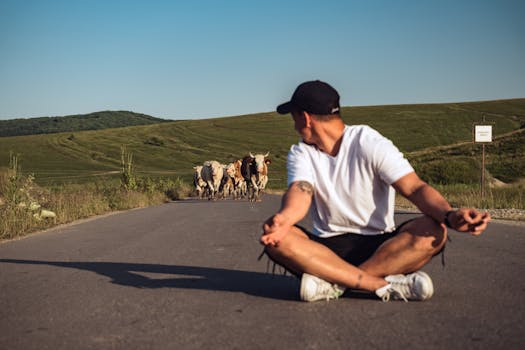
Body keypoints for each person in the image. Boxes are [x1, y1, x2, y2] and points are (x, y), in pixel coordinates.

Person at [260, 80, 491, 302]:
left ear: (305, 118)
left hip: (382, 248)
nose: (294, 125)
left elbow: (413, 187)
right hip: (326, 249)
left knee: (434, 229)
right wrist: (283, 219)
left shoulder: (368, 141)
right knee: (280, 238)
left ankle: (335, 283)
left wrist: (449, 216)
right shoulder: (302, 152)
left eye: (294, 117)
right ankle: (380, 285)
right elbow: (302, 191)